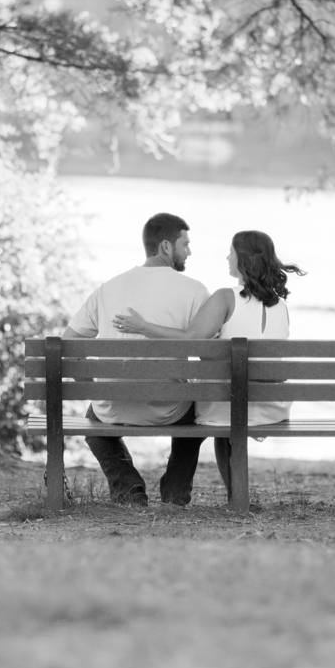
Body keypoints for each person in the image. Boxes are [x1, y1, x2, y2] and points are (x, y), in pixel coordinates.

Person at [112, 229, 305, 500]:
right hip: (271, 407)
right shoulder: (281, 305)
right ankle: (233, 495)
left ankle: (180, 494)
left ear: (244, 259)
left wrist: (144, 326)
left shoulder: (226, 297)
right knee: (226, 400)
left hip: (228, 407)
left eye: (232, 252)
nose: (227, 257)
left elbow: (191, 340)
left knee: (189, 408)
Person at [62, 213, 211, 506]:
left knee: (93, 423)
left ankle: (128, 489)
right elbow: (210, 351)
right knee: (200, 410)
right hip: (168, 408)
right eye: (185, 244)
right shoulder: (194, 290)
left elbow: (68, 343)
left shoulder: (108, 288)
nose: (189, 252)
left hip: (112, 407)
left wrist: (92, 388)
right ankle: (175, 491)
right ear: (166, 247)